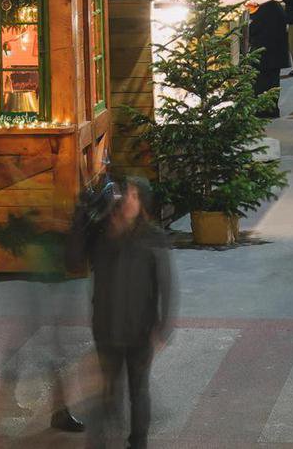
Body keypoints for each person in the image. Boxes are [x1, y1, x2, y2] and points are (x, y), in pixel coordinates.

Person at [86, 178, 173, 449]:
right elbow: (76, 257)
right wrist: (91, 217)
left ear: (143, 203)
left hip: (139, 330)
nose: (126, 200)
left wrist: (163, 327)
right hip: (106, 327)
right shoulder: (103, 233)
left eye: (134, 196)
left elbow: (166, 285)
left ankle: (138, 443)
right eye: (125, 194)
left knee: (138, 392)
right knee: (107, 391)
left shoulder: (153, 238)